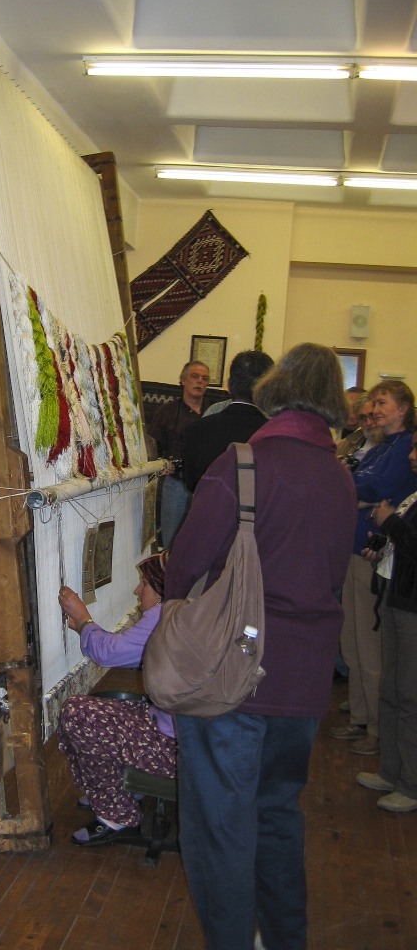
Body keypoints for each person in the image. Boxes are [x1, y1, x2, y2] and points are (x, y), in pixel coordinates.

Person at [164, 342, 357, 950]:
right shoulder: (340, 476)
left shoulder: (241, 464)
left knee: (221, 825)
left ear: (274, 391)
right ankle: (283, 939)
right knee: (277, 817)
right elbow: (329, 572)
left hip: (232, 675)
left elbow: (185, 566)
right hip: (303, 682)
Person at [57, 554, 176, 847]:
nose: (137, 591)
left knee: (78, 714)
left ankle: (117, 814)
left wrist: (84, 618)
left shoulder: (164, 618)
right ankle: (115, 789)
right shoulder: (185, 613)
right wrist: (86, 628)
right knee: (109, 706)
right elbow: (125, 648)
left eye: (144, 584)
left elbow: (109, 653)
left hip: (176, 751)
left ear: (162, 592)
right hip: (189, 738)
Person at [333, 380, 417, 755]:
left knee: (370, 648)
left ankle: (377, 729)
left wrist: (361, 493)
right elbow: (354, 481)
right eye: (372, 405)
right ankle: (361, 715)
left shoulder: (404, 448)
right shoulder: (383, 445)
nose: (375, 411)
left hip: (374, 553)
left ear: (403, 409)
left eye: (382, 403)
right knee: (351, 640)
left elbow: (377, 485)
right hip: (355, 547)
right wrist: (361, 492)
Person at [357, 431, 417, 812]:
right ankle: (391, 772)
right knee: (393, 691)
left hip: (413, 608)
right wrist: (380, 542)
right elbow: (403, 541)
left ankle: (410, 784)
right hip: (397, 599)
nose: (411, 455)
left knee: (410, 696)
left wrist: (389, 522)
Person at [182, 350, 273, 493]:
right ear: (267, 390)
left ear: (229, 386)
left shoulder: (194, 430)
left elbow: (192, 485)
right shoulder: (275, 434)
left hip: (209, 511)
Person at [148, 360, 211, 548]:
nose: (199, 381)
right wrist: (161, 465)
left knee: (202, 544)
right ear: (183, 380)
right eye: (194, 376)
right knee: (171, 544)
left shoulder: (215, 412)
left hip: (207, 485)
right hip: (176, 483)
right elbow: (151, 447)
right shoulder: (166, 412)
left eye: (204, 378)